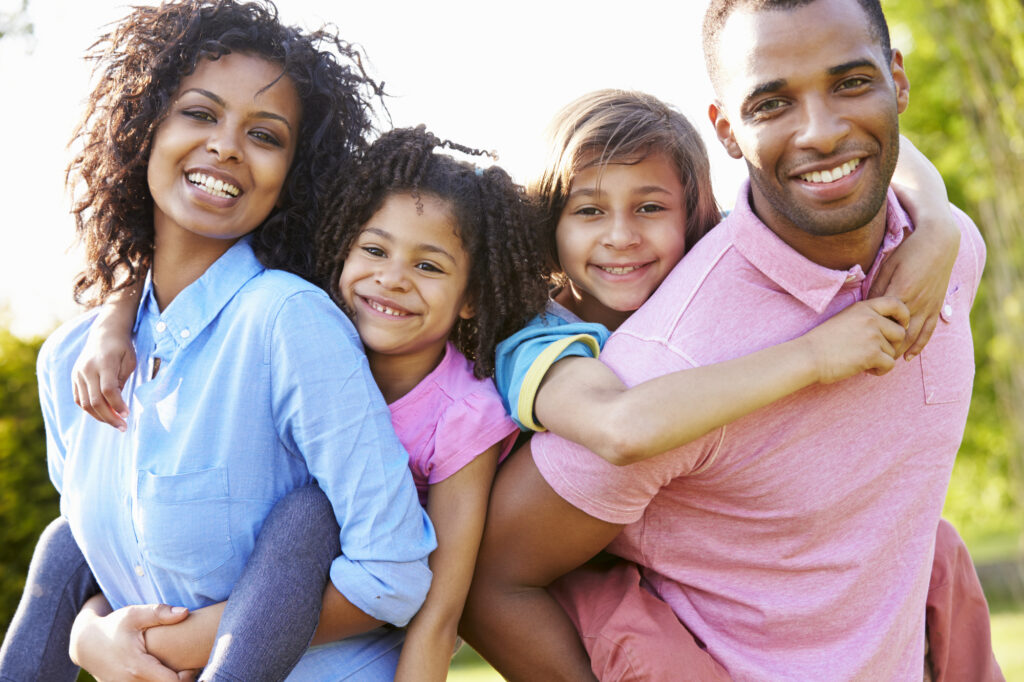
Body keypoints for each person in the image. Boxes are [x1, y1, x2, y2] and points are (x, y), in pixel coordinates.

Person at [461, 0, 999, 678]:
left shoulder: (946, 256)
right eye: (772, 103)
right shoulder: (662, 370)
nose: (823, 132)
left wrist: (942, 223)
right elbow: (488, 579)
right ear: (727, 128)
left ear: (898, 79)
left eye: (851, 83)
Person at [0, 1, 437, 680]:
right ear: (144, 129)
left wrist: (182, 644)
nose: (227, 146)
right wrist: (91, 637)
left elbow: (394, 574)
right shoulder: (69, 359)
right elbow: (96, 558)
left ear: (293, 171)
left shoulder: (287, 321)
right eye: (200, 114)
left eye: (265, 135)